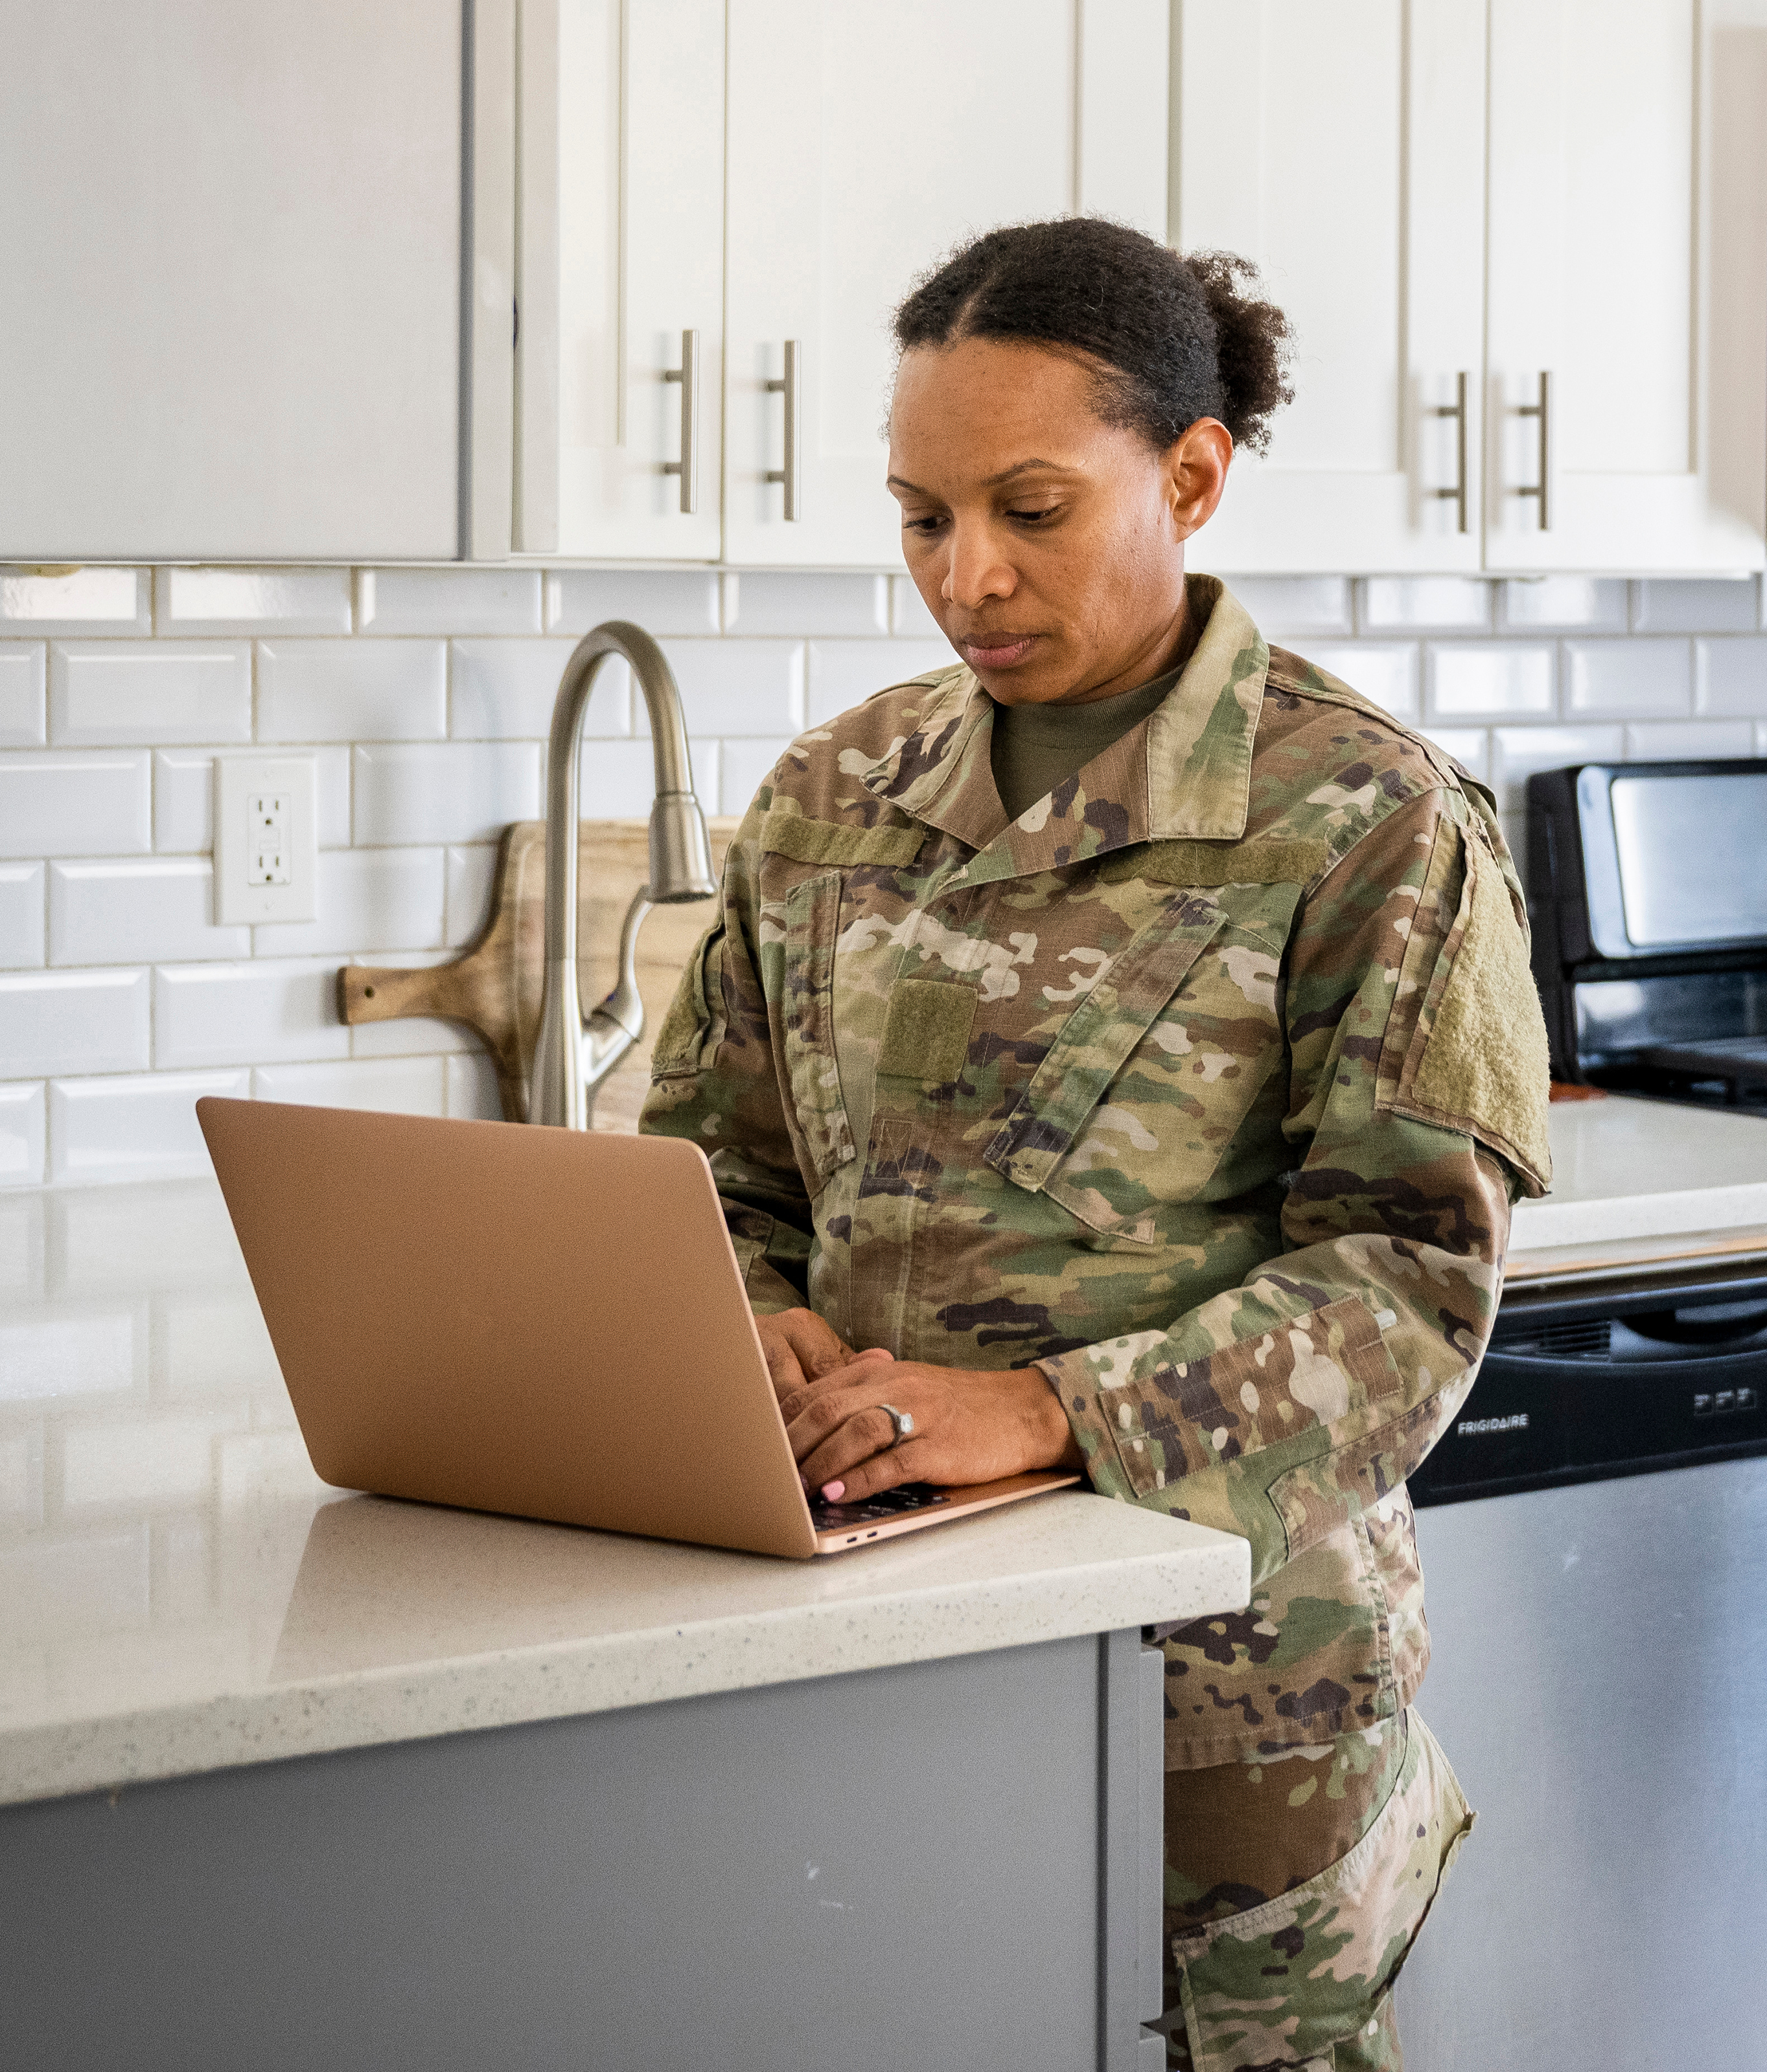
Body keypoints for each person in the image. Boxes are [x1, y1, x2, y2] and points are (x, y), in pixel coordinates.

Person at [639, 215, 1552, 2071]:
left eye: (1030, 510)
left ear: (1194, 475)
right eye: (921, 517)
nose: (965, 575)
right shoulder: (827, 797)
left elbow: (1406, 1290)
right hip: (867, 1650)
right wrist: (743, 1317)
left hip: (1225, 1700)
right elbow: (712, 1166)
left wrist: (1051, 1412)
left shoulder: (1367, 820)